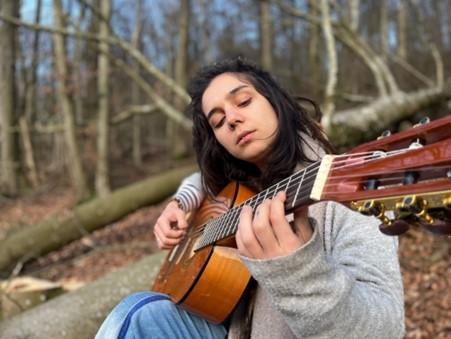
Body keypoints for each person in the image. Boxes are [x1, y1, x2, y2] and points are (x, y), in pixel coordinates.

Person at [96, 58, 405, 339]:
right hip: (234, 329)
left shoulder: (347, 184)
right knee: (139, 312)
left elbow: (386, 328)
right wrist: (182, 201)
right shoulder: (240, 184)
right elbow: (200, 180)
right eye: (217, 122)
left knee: (136, 314)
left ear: (274, 101)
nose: (231, 119)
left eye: (243, 101)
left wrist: (299, 272)